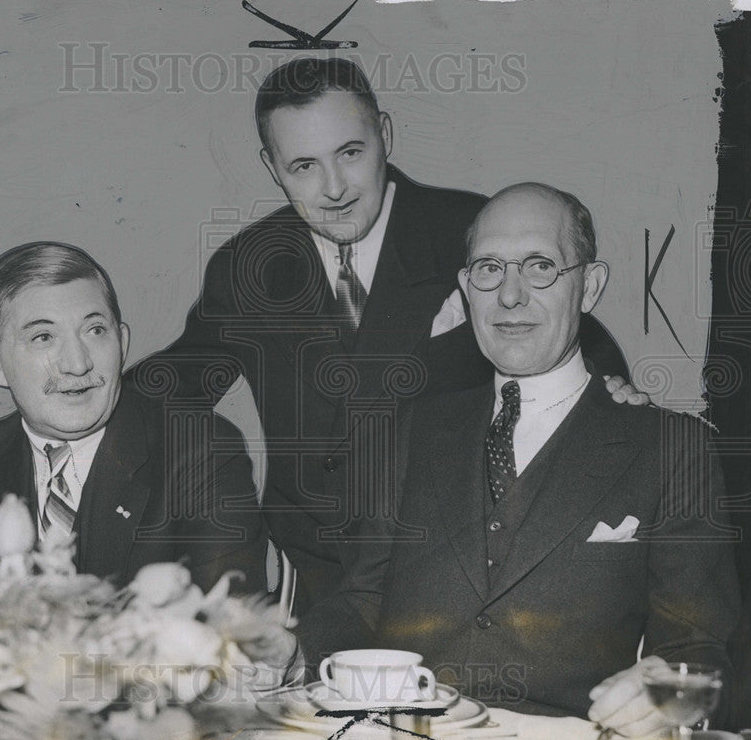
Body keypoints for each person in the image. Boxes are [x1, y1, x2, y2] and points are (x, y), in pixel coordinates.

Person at [135, 58, 641, 612]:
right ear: (272, 167)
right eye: (303, 165)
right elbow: (177, 381)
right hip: (312, 583)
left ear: (387, 135)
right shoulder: (248, 266)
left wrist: (610, 393)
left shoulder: (470, 229)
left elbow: (574, 330)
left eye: (350, 153)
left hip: (457, 578)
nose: (333, 189)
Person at [310, 183, 740, 729]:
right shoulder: (407, 430)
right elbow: (364, 600)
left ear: (589, 286)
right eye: (489, 269)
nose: (510, 296)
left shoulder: (672, 447)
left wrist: (671, 694)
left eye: (540, 267)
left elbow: (698, 648)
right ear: (467, 287)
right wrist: (286, 651)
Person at [0, 241, 268, 594]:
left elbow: (230, 629)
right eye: (43, 337)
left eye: (95, 331)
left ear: (122, 342)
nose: (78, 363)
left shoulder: (200, 452)